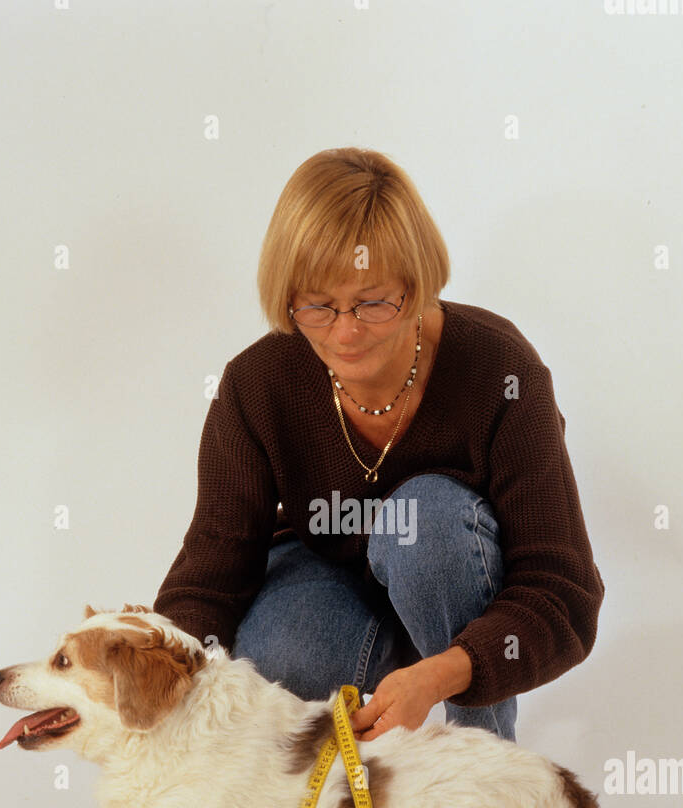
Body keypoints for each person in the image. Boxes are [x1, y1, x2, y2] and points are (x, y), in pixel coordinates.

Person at [153, 148, 604, 743]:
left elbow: (563, 592)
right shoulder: (256, 384)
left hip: (454, 583)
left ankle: (486, 765)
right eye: (317, 304)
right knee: (276, 657)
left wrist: (442, 674)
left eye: (372, 302)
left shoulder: (502, 369)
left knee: (424, 521)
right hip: (330, 585)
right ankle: (351, 789)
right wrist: (156, 659)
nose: (344, 332)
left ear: (416, 287)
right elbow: (214, 565)